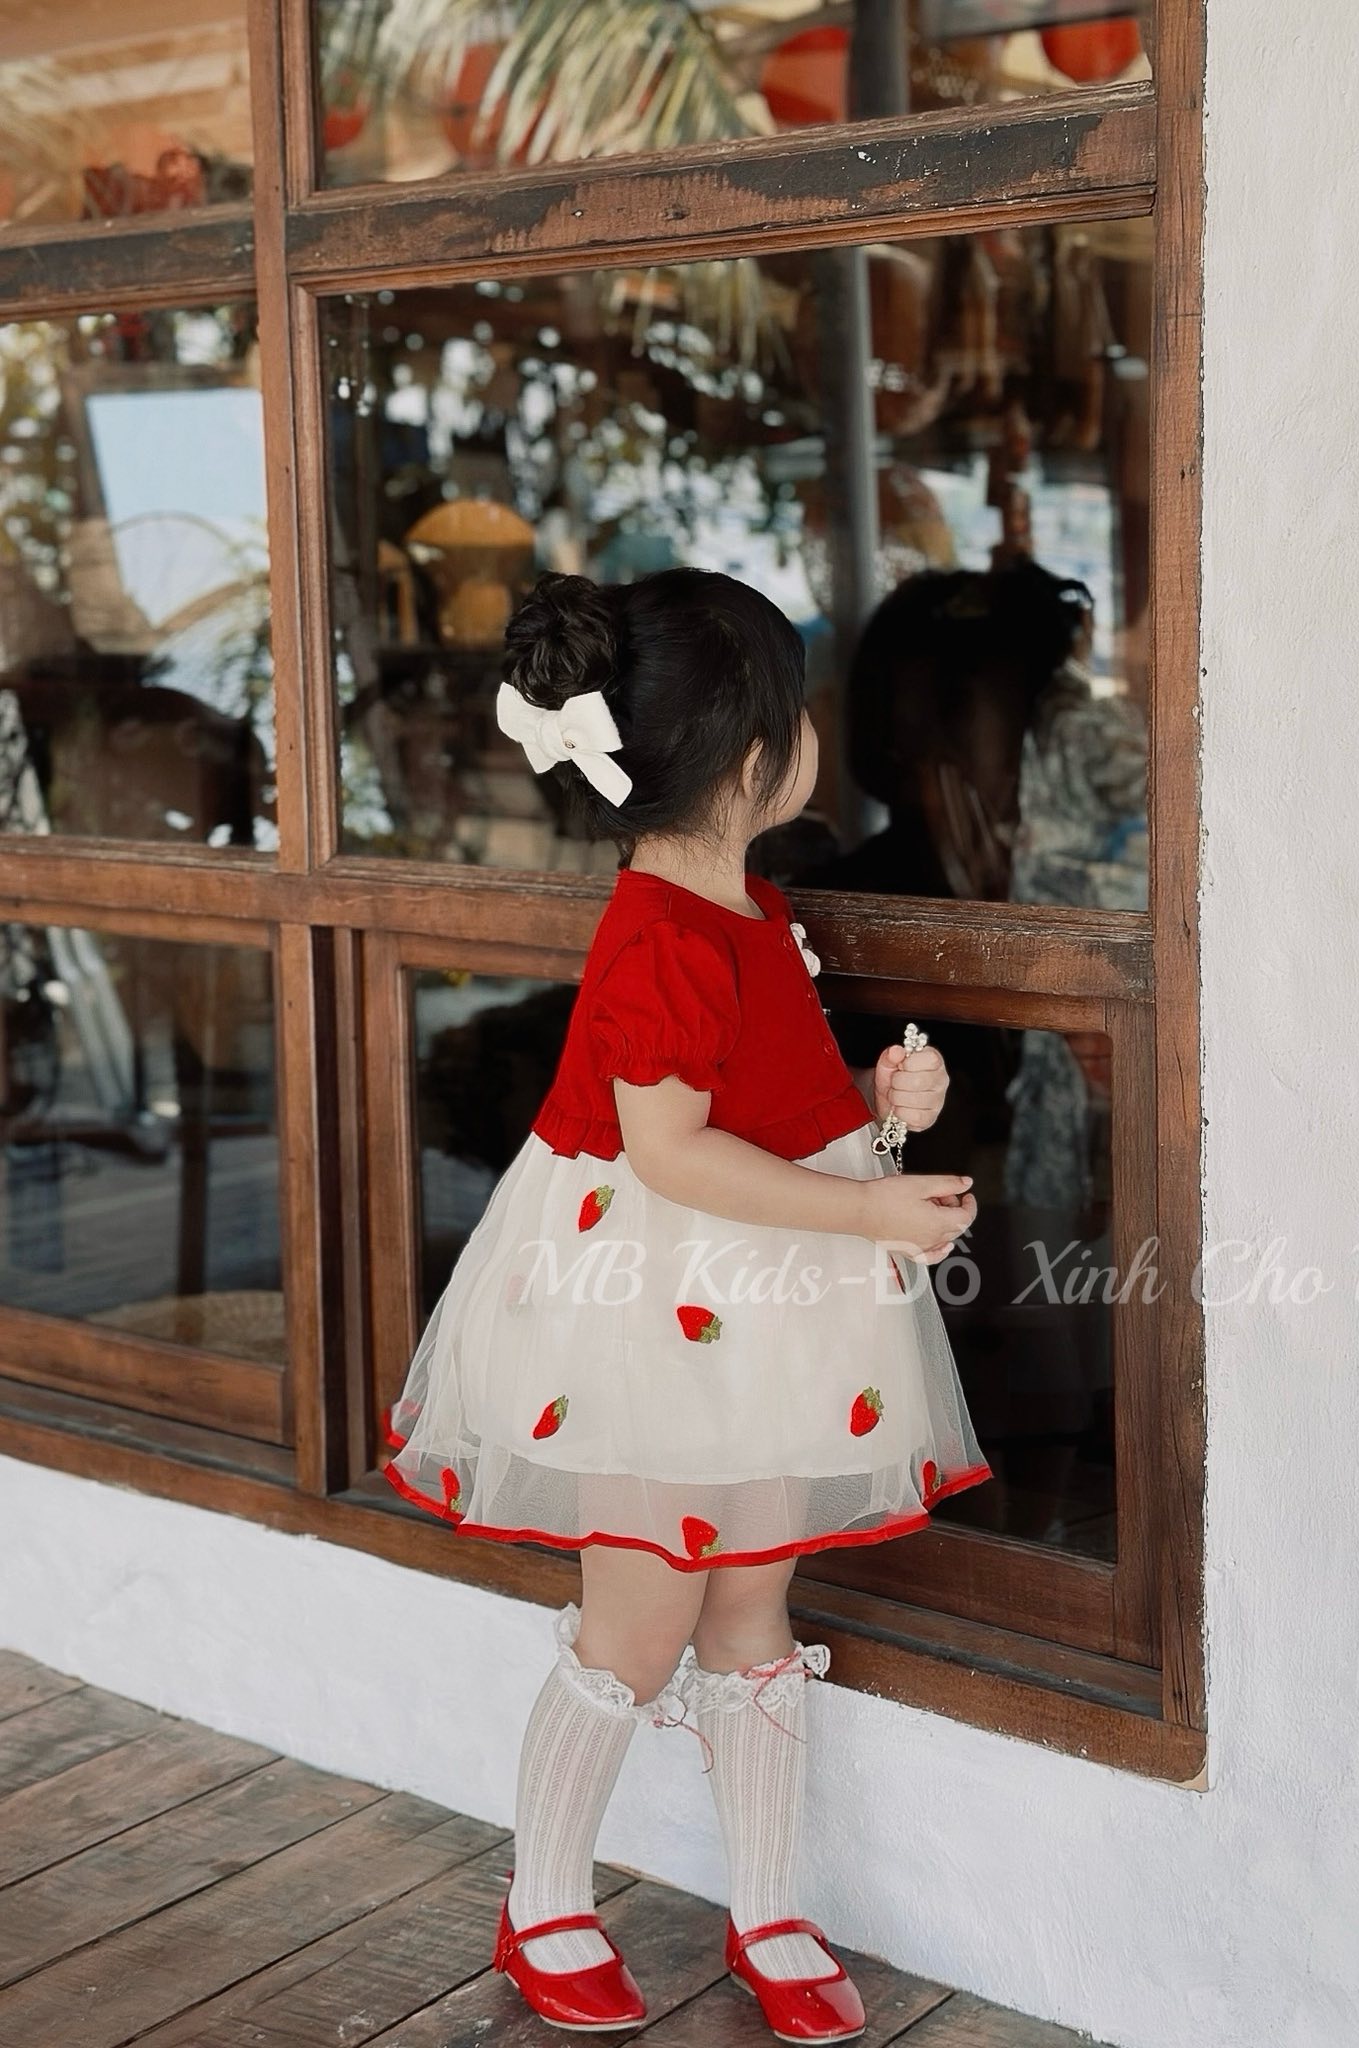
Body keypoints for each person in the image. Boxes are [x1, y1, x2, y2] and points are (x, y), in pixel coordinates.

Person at [382, 568, 990, 2040]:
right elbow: (668, 1150)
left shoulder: (746, 907)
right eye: (800, 713)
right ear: (751, 754)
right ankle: (544, 1900)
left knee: (753, 1601)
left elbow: (769, 1103)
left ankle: (768, 1903)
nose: (812, 736)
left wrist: (879, 1104)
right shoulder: (661, 932)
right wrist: (868, 1210)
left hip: (761, 1307)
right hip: (649, 1313)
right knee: (640, 1616)